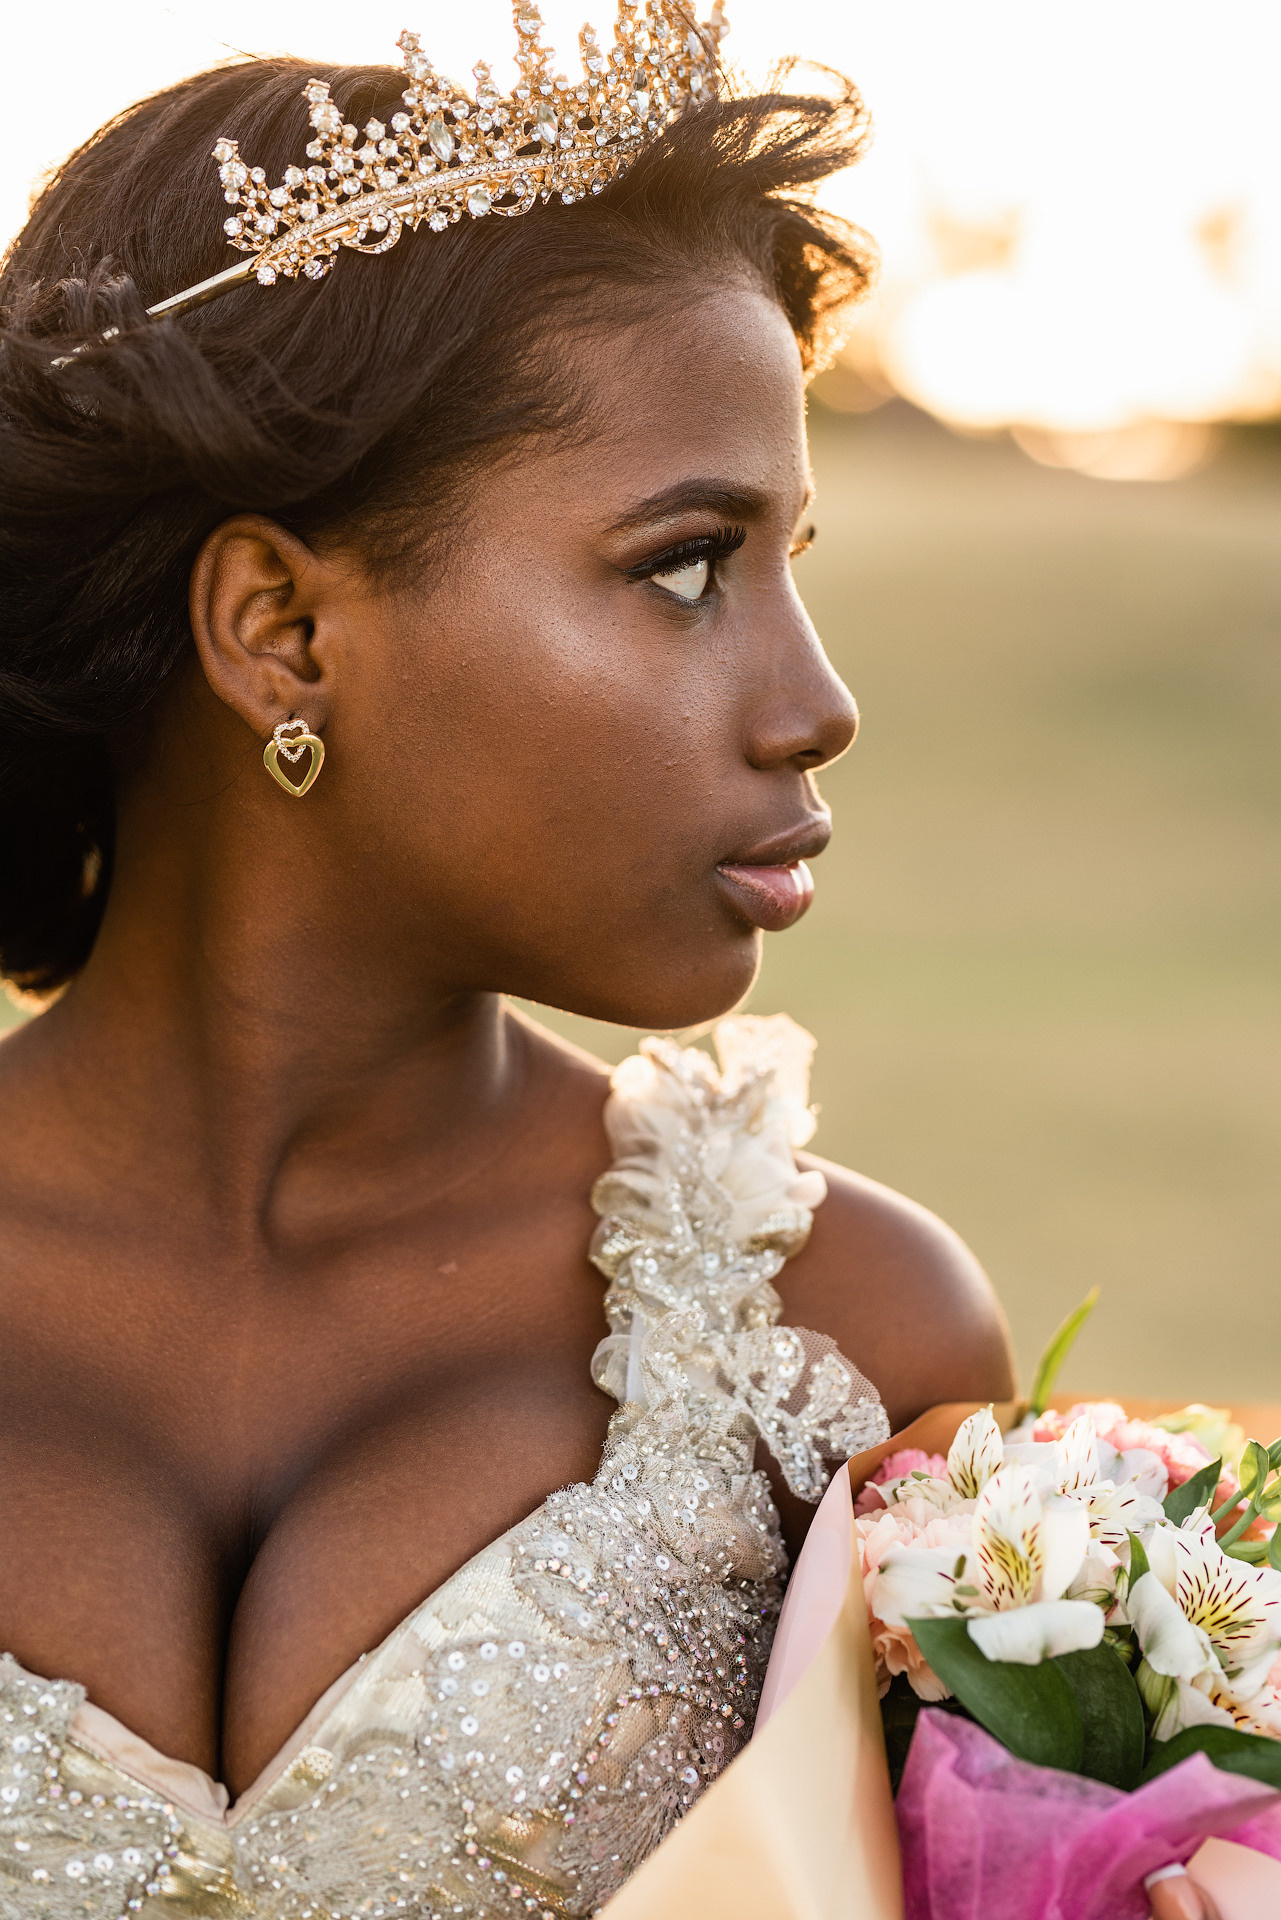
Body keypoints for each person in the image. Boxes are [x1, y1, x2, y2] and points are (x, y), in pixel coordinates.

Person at [0, 6, 1013, 1912]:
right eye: (690, 566)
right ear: (279, 629)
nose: (817, 705)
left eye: (800, 559)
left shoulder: (851, 1352)